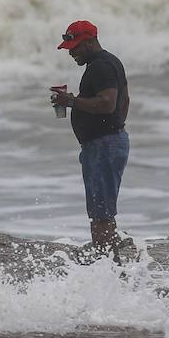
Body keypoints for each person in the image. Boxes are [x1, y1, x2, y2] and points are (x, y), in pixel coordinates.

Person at [50, 19, 130, 261]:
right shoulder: (108, 63)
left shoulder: (101, 66)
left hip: (103, 145)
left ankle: (106, 264)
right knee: (101, 210)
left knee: (101, 213)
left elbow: (108, 103)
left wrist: (72, 102)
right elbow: (124, 103)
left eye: (75, 46)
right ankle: (108, 260)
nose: (71, 52)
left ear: (90, 42)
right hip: (106, 143)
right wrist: (116, 127)